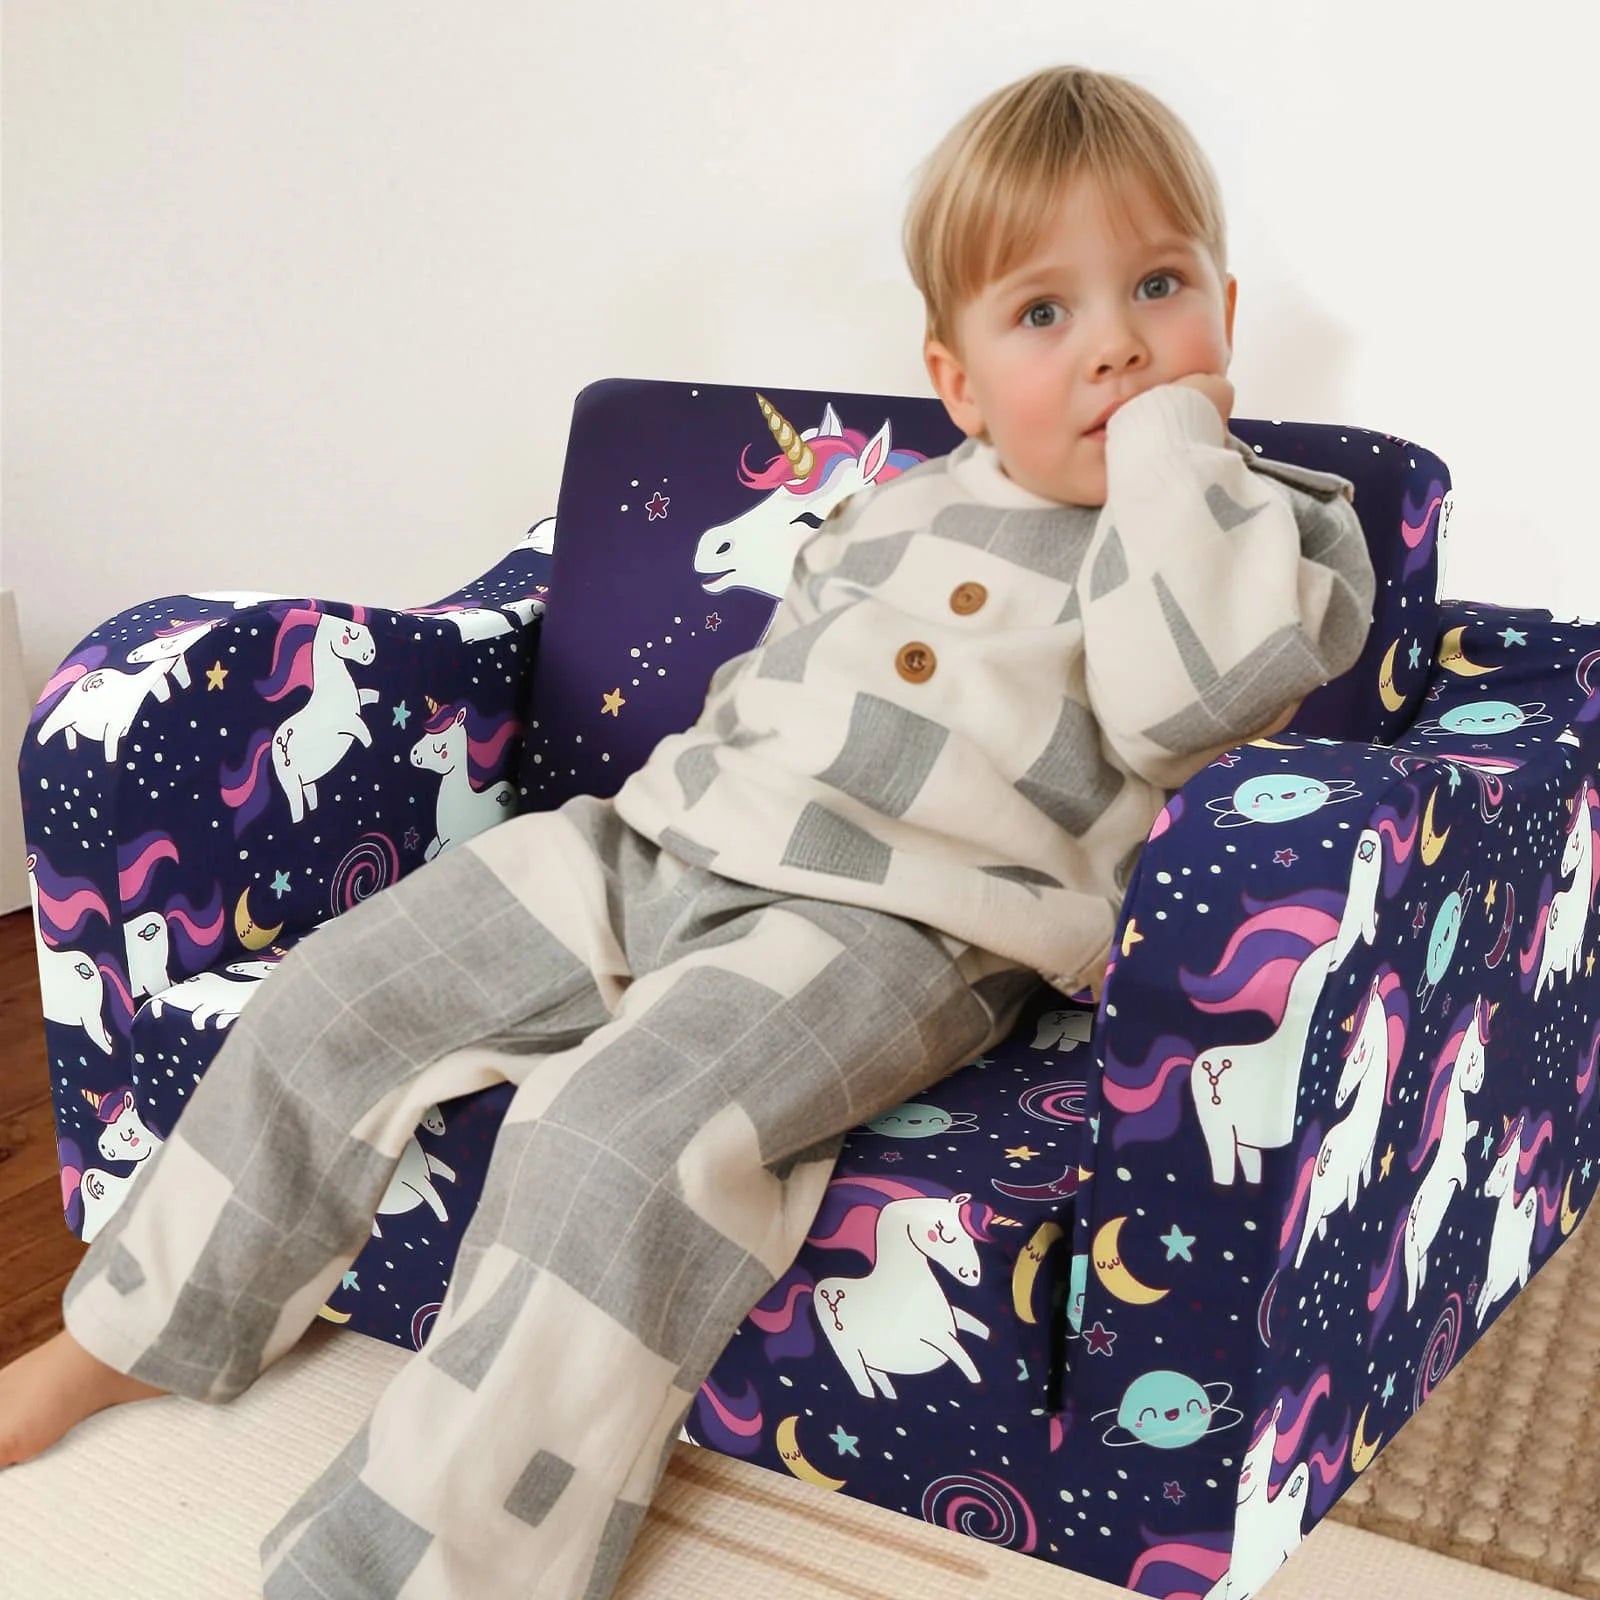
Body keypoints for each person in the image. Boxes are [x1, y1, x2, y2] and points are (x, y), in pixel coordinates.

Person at [0, 62, 1374, 1599]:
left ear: (1226, 318)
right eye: (1044, 314)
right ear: (962, 377)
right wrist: (642, 846)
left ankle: (417, 1570)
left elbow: (1198, 695)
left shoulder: (1264, 528)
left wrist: (1176, 451)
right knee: (344, 991)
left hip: (899, 926)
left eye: (1160, 289)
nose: (1117, 342)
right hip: (662, 843)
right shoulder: (897, 502)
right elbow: (770, 688)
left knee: (613, 1139)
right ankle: (129, 1336)